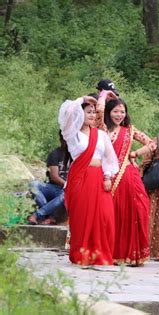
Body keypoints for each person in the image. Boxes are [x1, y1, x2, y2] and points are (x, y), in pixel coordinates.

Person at [58, 95, 119, 265]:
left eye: (93, 112)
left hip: (99, 177)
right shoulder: (72, 134)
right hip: (80, 178)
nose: (92, 115)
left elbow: (109, 158)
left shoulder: (101, 135)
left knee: (105, 217)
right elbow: (68, 112)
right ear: (80, 113)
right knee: (82, 217)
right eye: (88, 112)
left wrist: (107, 176)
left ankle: (99, 254)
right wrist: (82, 99)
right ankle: (81, 254)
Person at [102, 97, 152, 266]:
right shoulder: (102, 129)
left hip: (128, 175)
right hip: (107, 175)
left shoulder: (129, 130)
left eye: (122, 111)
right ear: (108, 112)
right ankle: (112, 252)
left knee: (136, 210)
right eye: (115, 111)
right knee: (112, 213)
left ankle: (131, 254)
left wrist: (135, 154)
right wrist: (103, 95)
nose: (119, 115)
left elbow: (151, 144)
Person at [133, 117, 159, 261]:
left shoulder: (157, 141)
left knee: (153, 216)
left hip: (156, 185)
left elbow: (146, 162)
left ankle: (150, 248)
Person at [28, 131, 69, 225]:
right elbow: (54, 177)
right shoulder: (55, 154)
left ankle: (38, 215)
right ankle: (50, 216)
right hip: (53, 187)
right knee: (33, 185)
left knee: (65, 195)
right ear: (61, 139)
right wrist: (67, 185)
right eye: (64, 138)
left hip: (65, 192)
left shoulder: (76, 155)